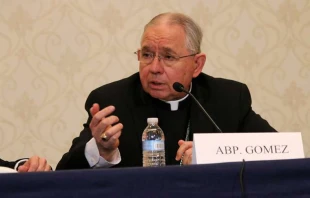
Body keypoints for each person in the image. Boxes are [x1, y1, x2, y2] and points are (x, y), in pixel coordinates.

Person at [56, 12, 276, 170]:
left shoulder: (228, 98)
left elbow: (278, 152)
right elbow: (64, 173)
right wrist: (101, 151)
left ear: (197, 65)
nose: (154, 68)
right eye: (147, 55)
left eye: (168, 57)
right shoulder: (111, 101)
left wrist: (211, 154)